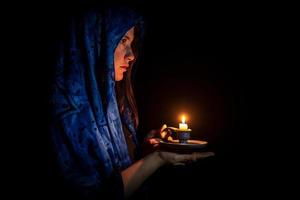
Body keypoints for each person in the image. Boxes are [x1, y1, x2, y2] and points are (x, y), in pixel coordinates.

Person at [49, 5, 214, 200]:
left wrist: (146, 151)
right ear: (94, 41)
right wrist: (157, 159)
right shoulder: (66, 116)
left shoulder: (113, 107)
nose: (131, 55)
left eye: (132, 43)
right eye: (122, 41)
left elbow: (122, 171)